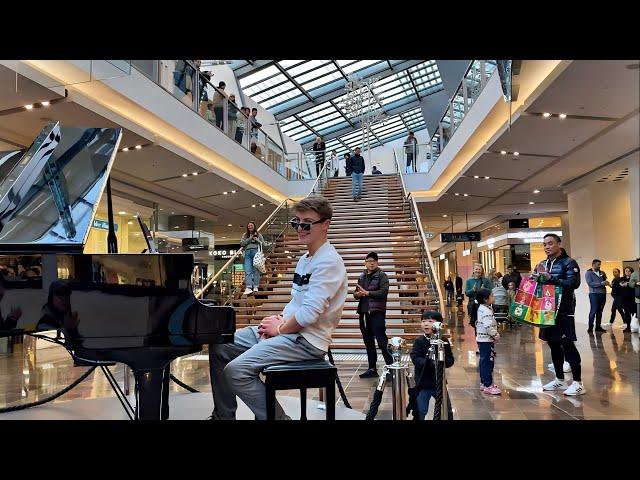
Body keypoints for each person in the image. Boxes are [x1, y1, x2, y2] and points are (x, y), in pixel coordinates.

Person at [208, 197, 348, 421]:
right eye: (297, 223)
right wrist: (279, 318)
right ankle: (224, 416)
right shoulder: (305, 258)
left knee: (236, 371)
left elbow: (309, 314)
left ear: (326, 224)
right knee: (220, 345)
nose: (300, 229)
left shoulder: (329, 261)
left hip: (306, 341)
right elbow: (298, 303)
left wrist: (280, 329)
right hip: (292, 331)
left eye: (307, 223)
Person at [537, 233, 585, 396]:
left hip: (564, 311)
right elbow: (539, 284)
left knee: (568, 344)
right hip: (547, 310)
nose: (547, 247)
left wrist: (551, 279)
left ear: (559, 244)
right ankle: (559, 380)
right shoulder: (542, 264)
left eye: (550, 243)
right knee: (553, 344)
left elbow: (573, 284)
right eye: (544, 244)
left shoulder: (569, 263)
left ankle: (578, 383)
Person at [410, 310, 454, 420]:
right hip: (423, 384)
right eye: (423, 321)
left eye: (430, 321)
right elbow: (415, 358)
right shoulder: (419, 341)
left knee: (446, 410)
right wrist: (431, 363)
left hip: (439, 383)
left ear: (438, 324)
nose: (425, 324)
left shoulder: (443, 341)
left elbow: (450, 360)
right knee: (420, 411)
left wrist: (442, 362)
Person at [355, 252, 392, 378]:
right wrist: (358, 295)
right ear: (365, 262)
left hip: (377, 313)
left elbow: (384, 292)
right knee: (368, 342)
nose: (371, 263)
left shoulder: (382, 276)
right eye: (369, 261)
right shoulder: (361, 276)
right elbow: (356, 294)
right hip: (364, 313)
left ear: (377, 263)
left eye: (374, 261)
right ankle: (372, 369)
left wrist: (368, 293)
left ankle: (391, 370)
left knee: (382, 342)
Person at [472, 288, 501, 395]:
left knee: (485, 361)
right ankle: (488, 385)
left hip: (483, 339)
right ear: (485, 299)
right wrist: (495, 335)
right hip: (486, 340)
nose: (494, 297)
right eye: (492, 295)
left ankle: (484, 383)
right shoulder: (486, 311)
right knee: (487, 362)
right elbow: (488, 326)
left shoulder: (483, 308)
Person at [240, 222, 265, 295]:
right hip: (247, 253)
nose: (250, 226)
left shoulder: (259, 234)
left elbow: (263, 244)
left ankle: (256, 286)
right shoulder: (245, 235)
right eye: (249, 226)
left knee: (256, 270)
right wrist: (249, 239)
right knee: (248, 270)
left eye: (251, 225)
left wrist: (257, 240)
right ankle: (248, 286)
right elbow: (242, 243)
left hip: (256, 253)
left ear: (254, 226)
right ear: (247, 227)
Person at [585, 259, 609, 333]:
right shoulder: (588, 273)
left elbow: (605, 280)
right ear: (593, 264)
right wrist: (601, 284)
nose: (599, 266)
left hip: (602, 294)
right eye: (598, 264)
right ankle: (590, 328)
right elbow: (590, 283)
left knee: (600, 311)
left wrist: (606, 283)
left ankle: (598, 327)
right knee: (593, 310)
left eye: (600, 265)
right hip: (594, 294)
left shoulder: (602, 272)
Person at [620, 267, 635, 331]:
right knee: (627, 313)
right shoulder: (622, 279)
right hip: (625, 298)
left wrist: (628, 284)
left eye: (629, 271)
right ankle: (628, 327)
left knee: (634, 313)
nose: (627, 272)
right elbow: (620, 285)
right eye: (626, 271)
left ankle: (634, 327)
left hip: (632, 298)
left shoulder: (634, 279)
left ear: (631, 272)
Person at [629, 260, 640, 328]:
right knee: (639, 315)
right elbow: (631, 284)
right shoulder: (634, 274)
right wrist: (636, 283)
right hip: (639, 298)